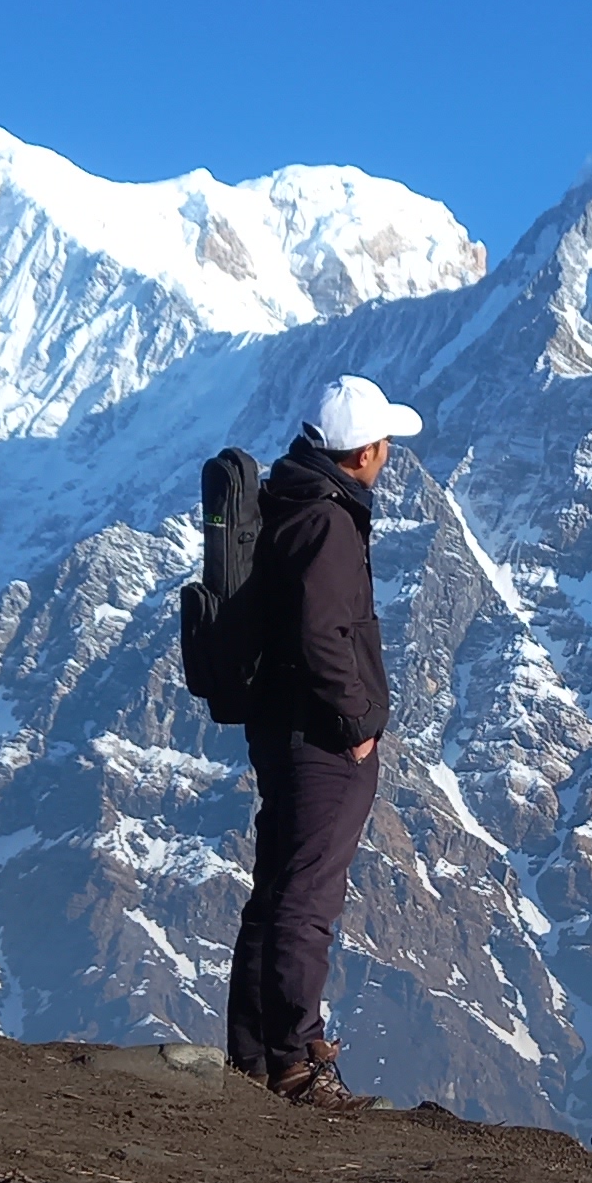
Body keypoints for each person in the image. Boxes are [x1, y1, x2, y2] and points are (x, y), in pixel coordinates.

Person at [224, 373, 421, 1111]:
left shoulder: (291, 500)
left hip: (280, 725)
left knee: (275, 890)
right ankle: (298, 1062)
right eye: (386, 442)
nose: (391, 453)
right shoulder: (328, 523)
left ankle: (250, 1055)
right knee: (308, 900)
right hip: (322, 739)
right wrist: (360, 724)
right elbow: (324, 636)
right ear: (364, 450)